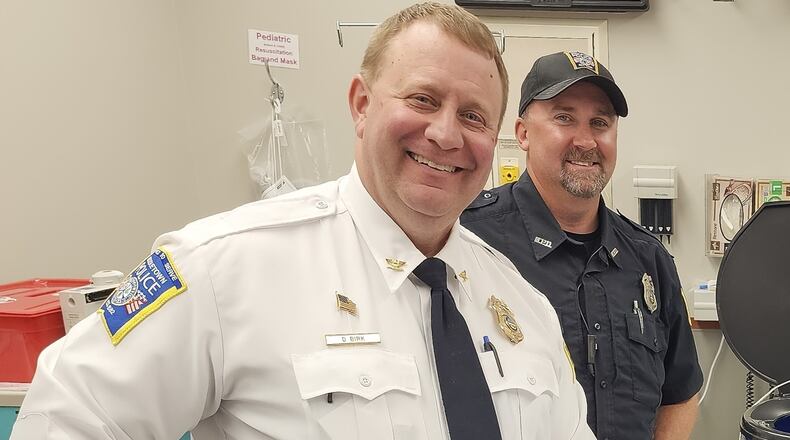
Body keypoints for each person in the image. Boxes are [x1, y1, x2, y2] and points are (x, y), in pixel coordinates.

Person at [12, 4, 595, 440]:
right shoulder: (225, 267)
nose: (445, 134)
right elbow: (66, 416)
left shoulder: (522, 303)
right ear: (361, 105)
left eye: (472, 115)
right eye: (421, 99)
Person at [461, 51, 703, 440]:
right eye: (564, 117)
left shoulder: (648, 260)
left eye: (600, 122)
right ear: (523, 132)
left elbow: (680, 392)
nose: (586, 140)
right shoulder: (469, 241)